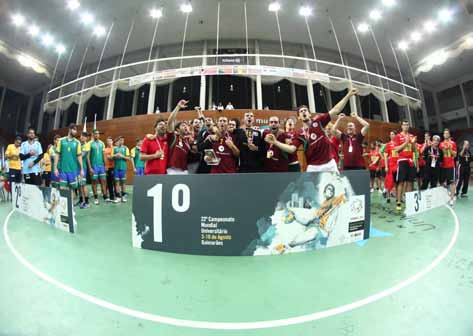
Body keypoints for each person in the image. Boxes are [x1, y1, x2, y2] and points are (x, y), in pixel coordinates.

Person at [265, 88, 359, 172]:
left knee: (338, 192)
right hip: (313, 167)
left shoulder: (319, 122)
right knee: (311, 191)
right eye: (301, 112)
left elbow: (335, 110)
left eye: (305, 110)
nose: (303, 112)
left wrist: (348, 95)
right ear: (299, 117)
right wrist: (275, 142)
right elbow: (292, 149)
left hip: (329, 164)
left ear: (309, 114)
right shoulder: (299, 134)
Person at [393, 120, 418, 211]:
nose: (406, 126)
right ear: (401, 126)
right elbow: (396, 149)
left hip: (411, 161)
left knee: (410, 182)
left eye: (407, 125)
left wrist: (413, 143)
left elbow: (415, 150)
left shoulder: (411, 136)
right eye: (404, 125)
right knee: (401, 182)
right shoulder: (398, 136)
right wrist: (406, 142)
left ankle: (410, 202)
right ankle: (399, 202)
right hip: (402, 161)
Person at [54, 124, 83, 197]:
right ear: (70, 129)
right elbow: (57, 155)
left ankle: (71, 207)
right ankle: (63, 208)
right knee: (62, 189)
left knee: (72, 189)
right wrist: (55, 168)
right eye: (74, 129)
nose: (75, 132)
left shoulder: (77, 142)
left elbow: (79, 156)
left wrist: (82, 169)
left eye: (76, 130)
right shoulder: (61, 141)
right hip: (63, 170)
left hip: (73, 170)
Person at [166, 100, 192, 175]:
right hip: (172, 170)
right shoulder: (173, 137)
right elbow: (170, 122)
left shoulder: (187, 140)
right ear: (177, 129)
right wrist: (178, 107)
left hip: (185, 171)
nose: (186, 127)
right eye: (183, 125)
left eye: (186, 125)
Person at [88, 129, 109, 204]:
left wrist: (105, 165)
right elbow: (88, 156)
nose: (97, 135)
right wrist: (90, 167)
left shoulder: (102, 143)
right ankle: (96, 197)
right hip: (94, 166)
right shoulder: (89, 143)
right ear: (93, 135)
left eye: (98, 134)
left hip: (101, 166)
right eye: (95, 134)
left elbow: (104, 155)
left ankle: (105, 196)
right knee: (94, 182)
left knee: (103, 180)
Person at [439, 129, 457, 206]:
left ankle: (451, 199)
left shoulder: (453, 143)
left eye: (447, 133)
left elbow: (455, 155)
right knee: (442, 182)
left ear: (449, 135)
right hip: (443, 166)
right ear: (443, 135)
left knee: (452, 182)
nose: (446, 134)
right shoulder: (441, 144)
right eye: (444, 133)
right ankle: (444, 197)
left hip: (450, 165)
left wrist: (450, 149)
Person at [380, 131, 398, 203]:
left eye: (393, 134)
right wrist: (386, 166)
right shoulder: (388, 144)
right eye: (390, 134)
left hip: (398, 165)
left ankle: (398, 196)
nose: (391, 135)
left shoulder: (399, 144)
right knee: (389, 182)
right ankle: (388, 197)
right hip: (391, 166)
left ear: (396, 135)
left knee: (397, 182)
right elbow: (385, 156)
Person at [112, 136, 131, 203]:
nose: (121, 141)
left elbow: (128, 158)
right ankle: (118, 197)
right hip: (116, 168)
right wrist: (115, 155)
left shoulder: (126, 148)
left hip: (123, 168)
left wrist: (122, 156)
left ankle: (123, 196)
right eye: (120, 140)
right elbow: (111, 157)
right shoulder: (114, 148)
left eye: (122, 140)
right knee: (117, 183)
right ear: (118, 141)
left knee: (123, 182)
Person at [78, 132, 90, 208]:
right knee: (79, 185)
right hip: (76, 168)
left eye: (84, 137)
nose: (82, 138)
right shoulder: (78, 145)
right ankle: (81, 200)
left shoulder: (86, 145)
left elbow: (81, 155)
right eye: (81, 136)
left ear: (86, 138)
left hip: (83, 168)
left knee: (83, 184)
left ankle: (87, 202)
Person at [104, 137, 116, 201]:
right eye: (108, 141)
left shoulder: (115, 149)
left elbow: (113, 157)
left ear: (112, 142)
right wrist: (105, 167)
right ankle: (111, 196)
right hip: (108, 168)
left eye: (110, 141)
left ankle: (117, 194)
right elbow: (105, 159)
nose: (109, 142)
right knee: (109, 182)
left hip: (115, 167)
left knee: (115, 182)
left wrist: (112, 157)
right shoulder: (105, 150)